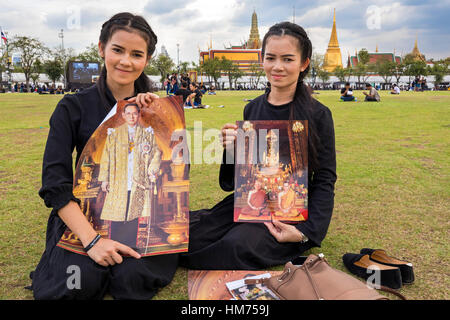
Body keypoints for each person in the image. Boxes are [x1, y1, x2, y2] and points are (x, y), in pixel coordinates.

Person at [30, 12, 178, 300]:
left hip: (139, 214)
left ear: (146, 60)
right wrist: (92, 240)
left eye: (137, 54)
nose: (126, 61)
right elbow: (54, 183)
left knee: (131, 277)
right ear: (101, 48)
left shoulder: (157, 110)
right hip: (86, 216)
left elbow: (168, 173)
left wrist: (160, 119)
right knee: (79, 281)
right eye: (118, 50)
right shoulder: (72, 107)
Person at [180, 21, 337, 270]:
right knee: (190, 235)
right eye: (271, 58)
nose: (277, 67)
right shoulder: (252, 108)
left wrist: (306, 232)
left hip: (290, 211)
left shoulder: (318, 114)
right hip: (252, 201)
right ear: (261, 59)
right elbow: (236, 180)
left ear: (303, 63)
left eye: (288, 59)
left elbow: (325, 178)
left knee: (236, 246)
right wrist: (230, 149)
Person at [99, 103, 161, 247]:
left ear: (139, 115)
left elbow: (156, 153)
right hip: (118, 179)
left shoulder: (147, 133)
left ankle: (130, 245)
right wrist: (104, 179)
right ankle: (114, 244)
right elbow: (106, 156)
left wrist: (152, 171)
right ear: (123, 115)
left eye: (135, 113)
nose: (132, 117)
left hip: (138, 179)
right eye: (128, 113)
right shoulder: (114, 134)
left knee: (134, 211)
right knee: (117, 212)